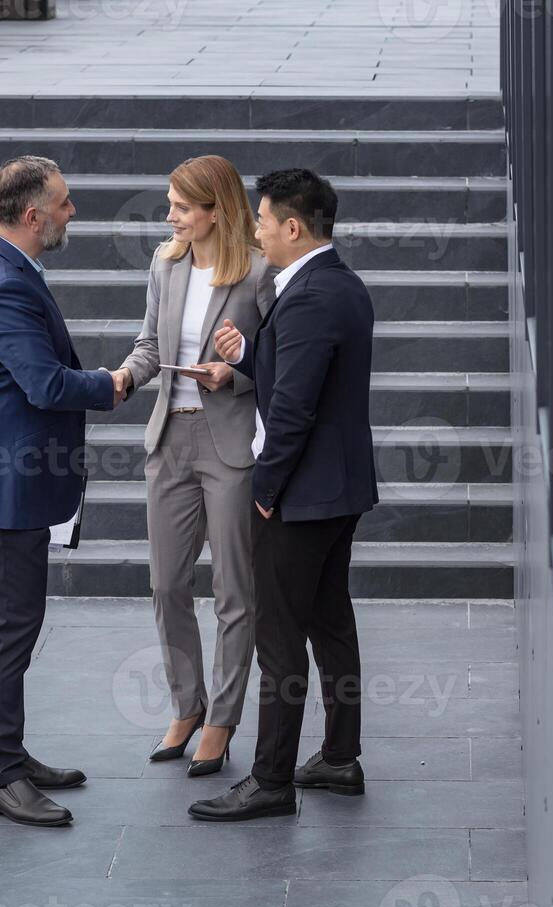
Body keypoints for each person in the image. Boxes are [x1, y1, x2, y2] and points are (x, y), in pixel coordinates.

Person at [0, 156, 126, 827]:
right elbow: (45, 385)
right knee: (9, 630)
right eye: (65, 203)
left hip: (0, 483)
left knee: (15, 626)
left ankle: (8, 755)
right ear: (32, 214)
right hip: (0, 491)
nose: (71, 212)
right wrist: (116, 382)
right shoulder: (0, 285)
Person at [189, 168, 379, 822]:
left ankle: (270, 780)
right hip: (337, 490)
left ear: (293, 227)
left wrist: (264, 493)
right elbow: (299, 378)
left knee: (278, 639)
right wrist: (244, 359)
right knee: (330, 623)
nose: (258, 232)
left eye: (264, 221)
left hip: (299, 497)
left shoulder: (307, 297)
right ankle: (340, 755)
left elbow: (293, 412)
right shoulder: (337, 285)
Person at [113, 156, 276, 776]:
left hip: (229, 441)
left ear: (216, 210)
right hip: (169, 438)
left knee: (234, 589)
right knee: (166, 585)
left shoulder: (258, 274)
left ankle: (221, 720)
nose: (171, 216)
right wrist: (129, 374)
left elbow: (272, 365)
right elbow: (151, 344)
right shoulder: (166, 262)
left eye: (182, 206)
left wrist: (232, 375)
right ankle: (187, 704)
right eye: (171, 205)